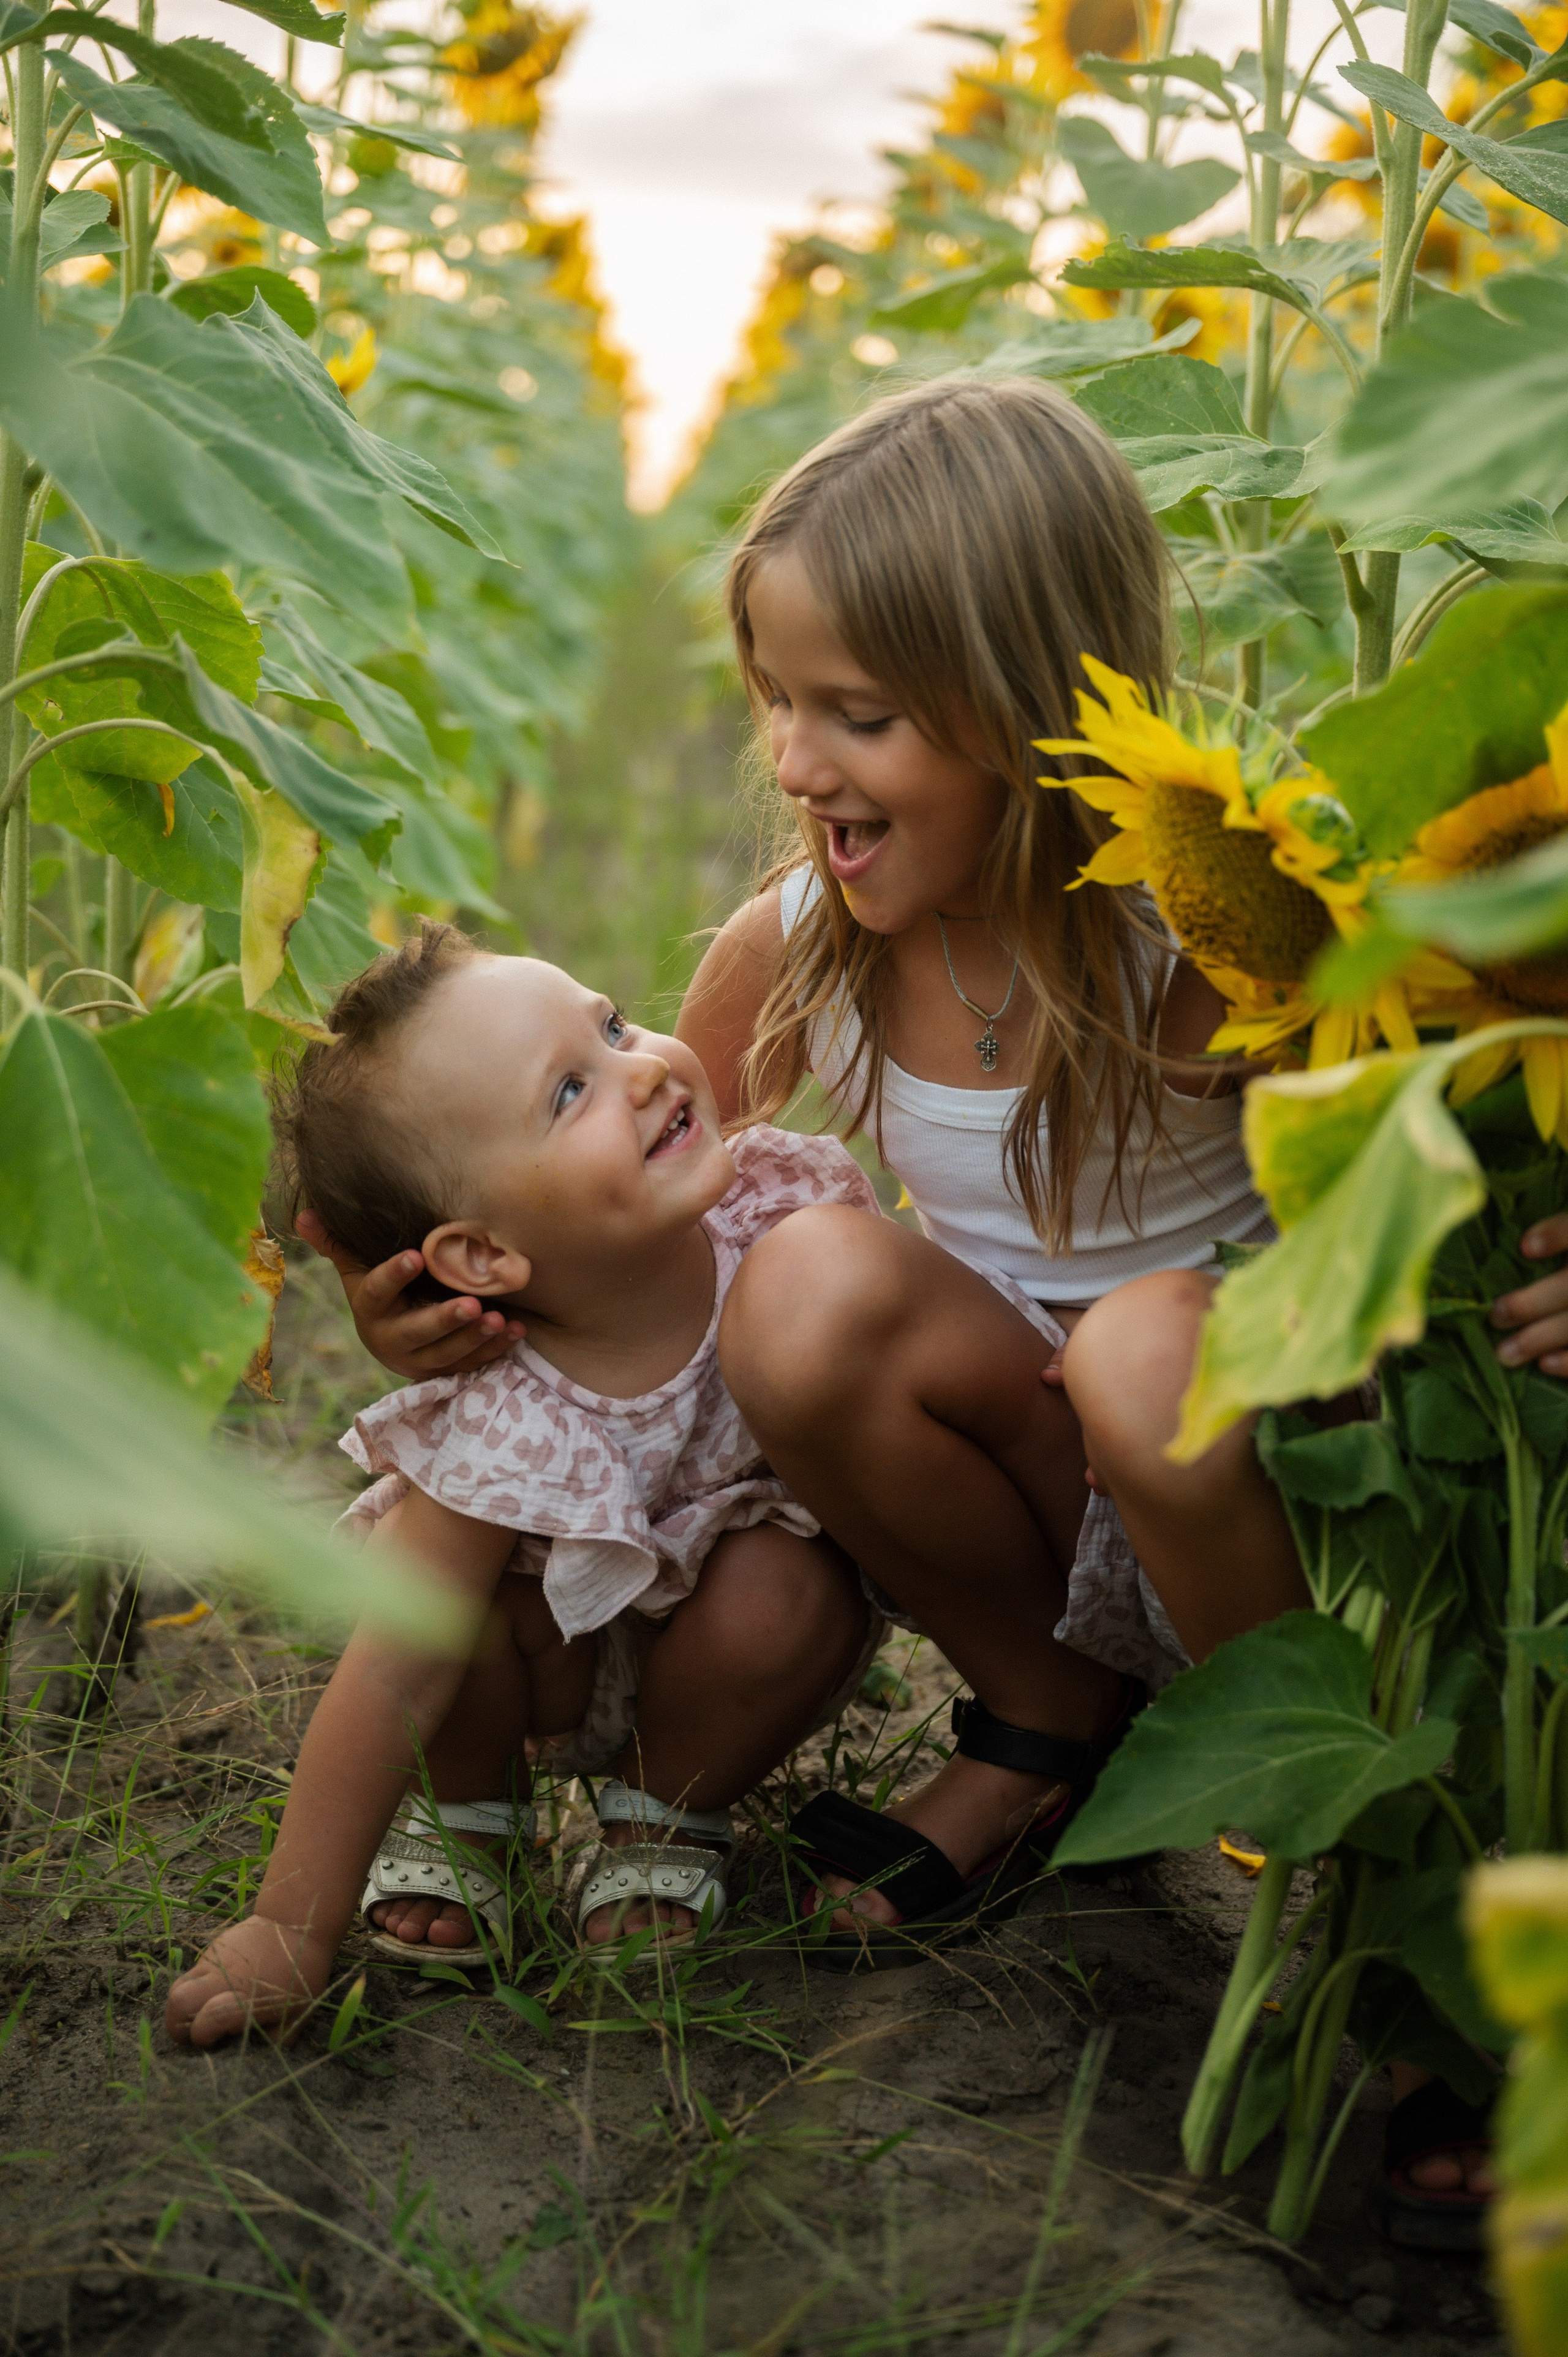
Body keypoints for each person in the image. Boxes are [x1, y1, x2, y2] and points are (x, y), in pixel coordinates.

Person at [311, 379, 1564, 2220]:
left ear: (1036, 710)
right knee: (801, 1290)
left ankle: (1372, 1900)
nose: (799, 762)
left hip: (1264, 1489)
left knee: (1143, 1350)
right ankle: (1045, 1715)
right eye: (779, 702)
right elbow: (608, 1221)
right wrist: (419, 1312)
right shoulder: (807, 951)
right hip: (1022, 1494)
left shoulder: (1227, 936)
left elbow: (1493, 1085)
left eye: (861, 715)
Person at [165, 925, 882, 2048]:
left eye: (610, 1024)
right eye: (570, 1091)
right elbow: (392, 1665)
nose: (644, 1065)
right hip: (547, 1672)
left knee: (797, 1590)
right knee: (450, 1615)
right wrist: (288, 1924)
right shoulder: (503, 1415)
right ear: (484, 1258)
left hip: (721, 1663)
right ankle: (471, 1820)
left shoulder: (784, 1225)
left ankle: (663, 1818)